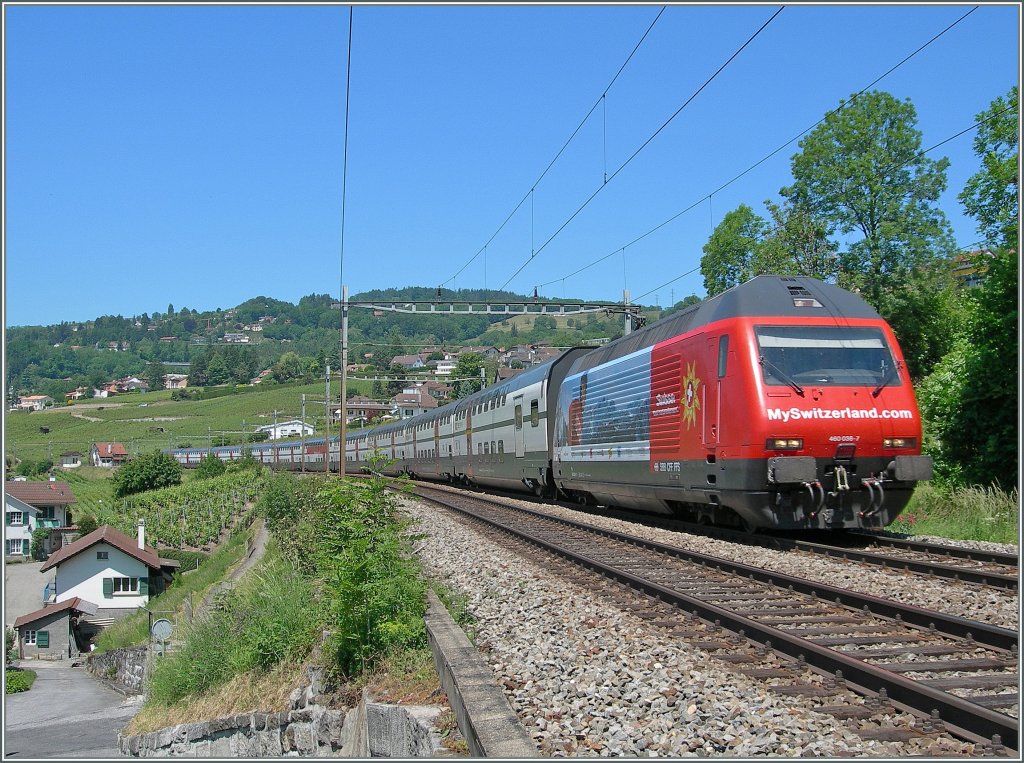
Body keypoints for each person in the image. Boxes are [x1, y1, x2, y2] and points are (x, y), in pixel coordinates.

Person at [567, 374, 587, 446]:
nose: (584, 393)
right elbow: (571, 431)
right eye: (583, 389)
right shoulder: (575, 406)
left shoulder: (590, 409)